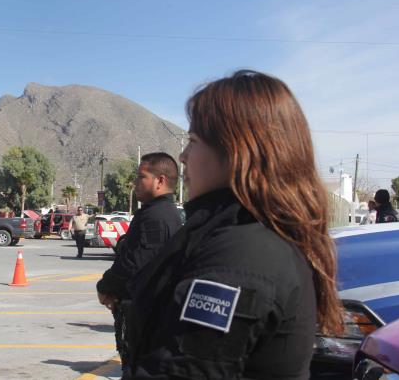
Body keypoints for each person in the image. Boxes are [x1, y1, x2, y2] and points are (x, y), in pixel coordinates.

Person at [125, 71, 343, 379]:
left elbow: (183, 368)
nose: (183, 156)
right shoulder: (236, 233)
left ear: (237, 152)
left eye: (193, 141)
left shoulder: (242, 256)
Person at [96, 152, 183, 372]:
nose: (136, 182)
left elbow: (137, 263)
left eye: (141, 176)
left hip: (144, 317)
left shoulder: (157, 216)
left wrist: (106, 286)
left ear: (160, 181)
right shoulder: (157, 213)